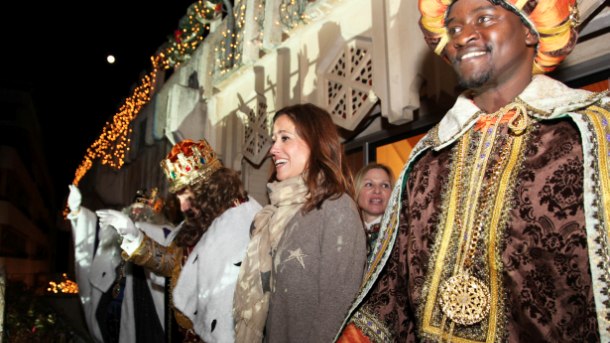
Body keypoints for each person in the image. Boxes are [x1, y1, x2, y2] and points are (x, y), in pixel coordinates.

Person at [337, 0, 610, 341]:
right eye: (452, 28)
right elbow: (389, 295)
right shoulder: (426, 161)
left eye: (483, 17)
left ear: (529, 29)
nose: (463, 36)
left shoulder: (593, 136)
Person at [97, 139, 261, 342]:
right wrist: (134, 237)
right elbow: (172, 263)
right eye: (179, 198)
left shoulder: (243, 223)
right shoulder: (196, 223)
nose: (182, 207)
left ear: (207, 187)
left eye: (186, 196)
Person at [233, 103, 367, 342]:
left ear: (316, 142)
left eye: (285, 138)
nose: (273, 149)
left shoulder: (336, 208)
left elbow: (337, 309)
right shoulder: (274, 216)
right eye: (274, 140)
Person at [67, 185, 173, 342]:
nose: (137, 212)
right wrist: (78, 214)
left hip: (146, 297)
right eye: (134, 209)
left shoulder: (166, 232)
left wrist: (137, 233)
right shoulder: (113, 231)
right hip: (115, 296)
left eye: (142, 210)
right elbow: (95, 235)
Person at [354, 163, 394, 259]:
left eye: (384, 185)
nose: (377, 190)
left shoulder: (398, 235)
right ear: (357, 190)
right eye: (369, 184)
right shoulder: (345, 232)